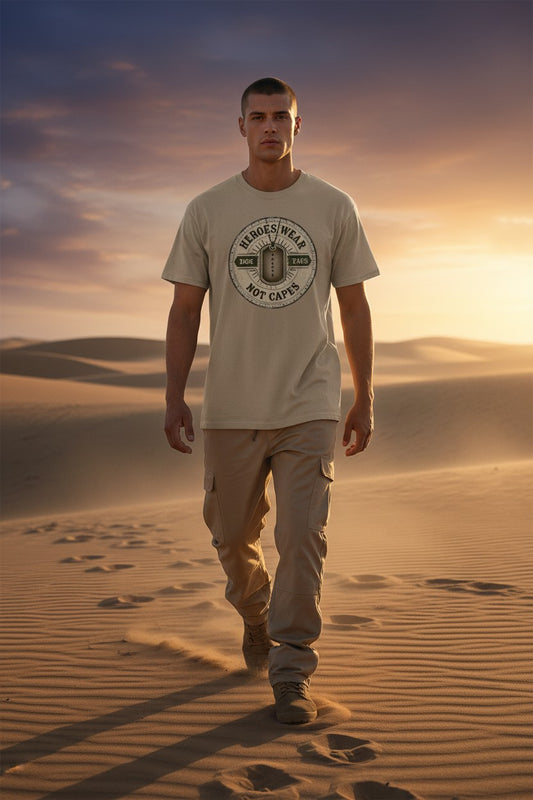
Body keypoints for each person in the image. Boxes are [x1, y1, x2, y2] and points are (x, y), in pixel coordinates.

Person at [163, 77, 379, 725]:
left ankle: (291, 671)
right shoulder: (206, 209)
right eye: (256, 117)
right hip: (230, 405)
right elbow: (182, 309)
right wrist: (173, 395)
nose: (268, 128)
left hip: (309, 402)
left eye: (279, 117)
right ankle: (254, 612)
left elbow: (354, 304)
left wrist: (364, 395)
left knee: (301, 535)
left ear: (297, 125)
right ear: (240, 127)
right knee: (231, 537)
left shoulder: (333, 205)